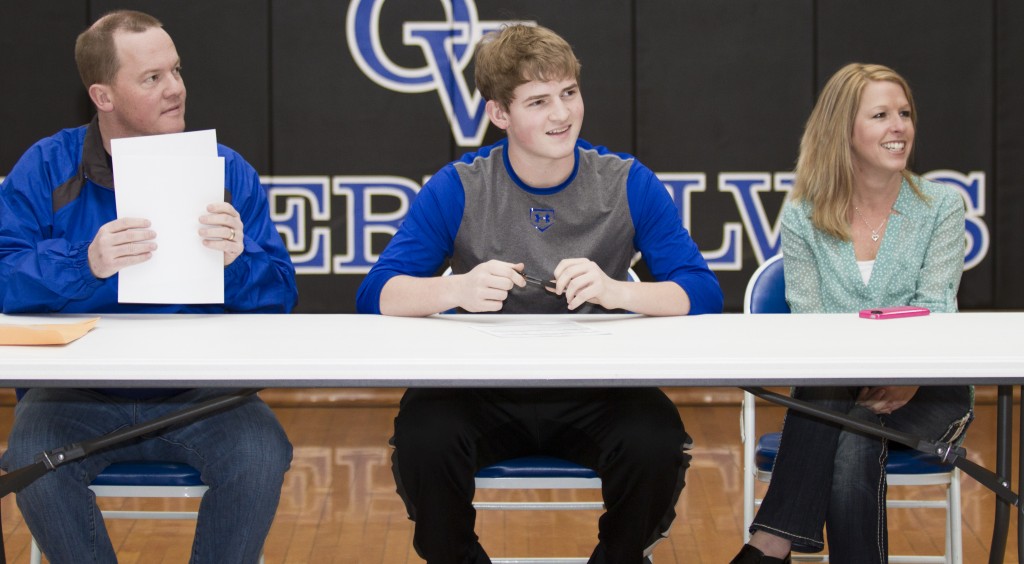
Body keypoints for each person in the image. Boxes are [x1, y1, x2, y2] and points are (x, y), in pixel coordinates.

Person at [356, 24, 722, 564]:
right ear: (499, 114)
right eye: (538, 101)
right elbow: (375, 294)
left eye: (569, 93)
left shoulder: (627, 182)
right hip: (479, 387)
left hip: (600, 387)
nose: (562, 114)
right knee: (423, 441)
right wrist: (458, 287)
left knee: (656, 444)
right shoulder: (461, 185)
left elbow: (703, 292)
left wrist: (616, 291)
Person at [0, 10, 297, 563]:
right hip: (73, 396)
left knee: (261, 453)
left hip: (203, 394)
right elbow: (3, 276)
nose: (176, 89)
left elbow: (281, 294)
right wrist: (82, 264)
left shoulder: (226, 171)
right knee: (30, 455)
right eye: (152, 78)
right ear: (102, 95)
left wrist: (238, 262)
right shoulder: (45, 169)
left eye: (177, 71)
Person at [731, 63, 973, 564]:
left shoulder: (941, 207)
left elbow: (936, 311)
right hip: (834, 387)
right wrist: (855, 375)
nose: (899, 127)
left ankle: (768, 546)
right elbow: (811, 324)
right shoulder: (803, 214)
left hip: (925, 389)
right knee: (854, 432)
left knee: (845, 422)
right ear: (843, 128)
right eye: (881, 115)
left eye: (904, 113)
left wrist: (907, 376)